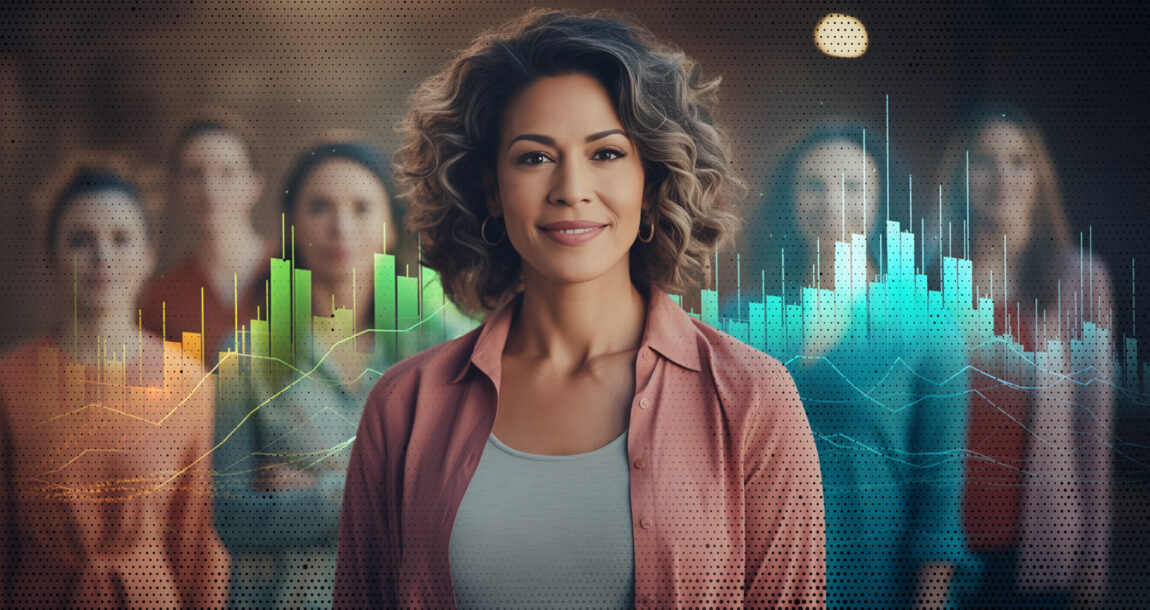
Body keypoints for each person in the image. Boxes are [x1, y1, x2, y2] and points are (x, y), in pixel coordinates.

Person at [335, 10, 826, 608]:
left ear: (651, 181)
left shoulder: (752, 398)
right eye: (534, 157)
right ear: (491, 187)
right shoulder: (405, 405)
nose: (571, 187)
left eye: (607, 154)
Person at [739, 122, 973, 608]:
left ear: (881, 199)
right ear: (788, 198)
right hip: (757, 583)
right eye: (813, 185)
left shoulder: (929, 323)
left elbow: (939, 509)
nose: (832, 202)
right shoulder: (739, 321)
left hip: (874, 586)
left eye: (853, 186)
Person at [0, 163, 229, 607]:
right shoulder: (10, 381)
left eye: (120, 239)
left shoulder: (187, 383)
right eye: (80, 239)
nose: (102, 255)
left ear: (148, 253)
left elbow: (195, 542)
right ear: (51, 254)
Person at [213, 138, 401, 608]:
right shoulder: (245, 358)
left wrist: (319, 492)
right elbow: (228, 516)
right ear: (291, 226)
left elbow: (447, 503)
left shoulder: (430, 357)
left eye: (362, 207)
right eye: (320, 207)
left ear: (392, 228)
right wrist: (380, 492)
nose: (342, 227)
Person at [940, 108, 1114, 609]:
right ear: (960, 177)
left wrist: (1092, 567)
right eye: (984, 162)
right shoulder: (923, 278)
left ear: (1039, 178)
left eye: (1019, 162)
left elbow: (1093, 433)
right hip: (940, 552)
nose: (1002, 177)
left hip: (1039, 553)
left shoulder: (1082, 279)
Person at [138, 108, 273, 363]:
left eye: (226, 172)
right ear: (177, 186)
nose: (209, 189)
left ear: (255, 184)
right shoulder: (161, 299)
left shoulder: (299, 275)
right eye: (194, 173)